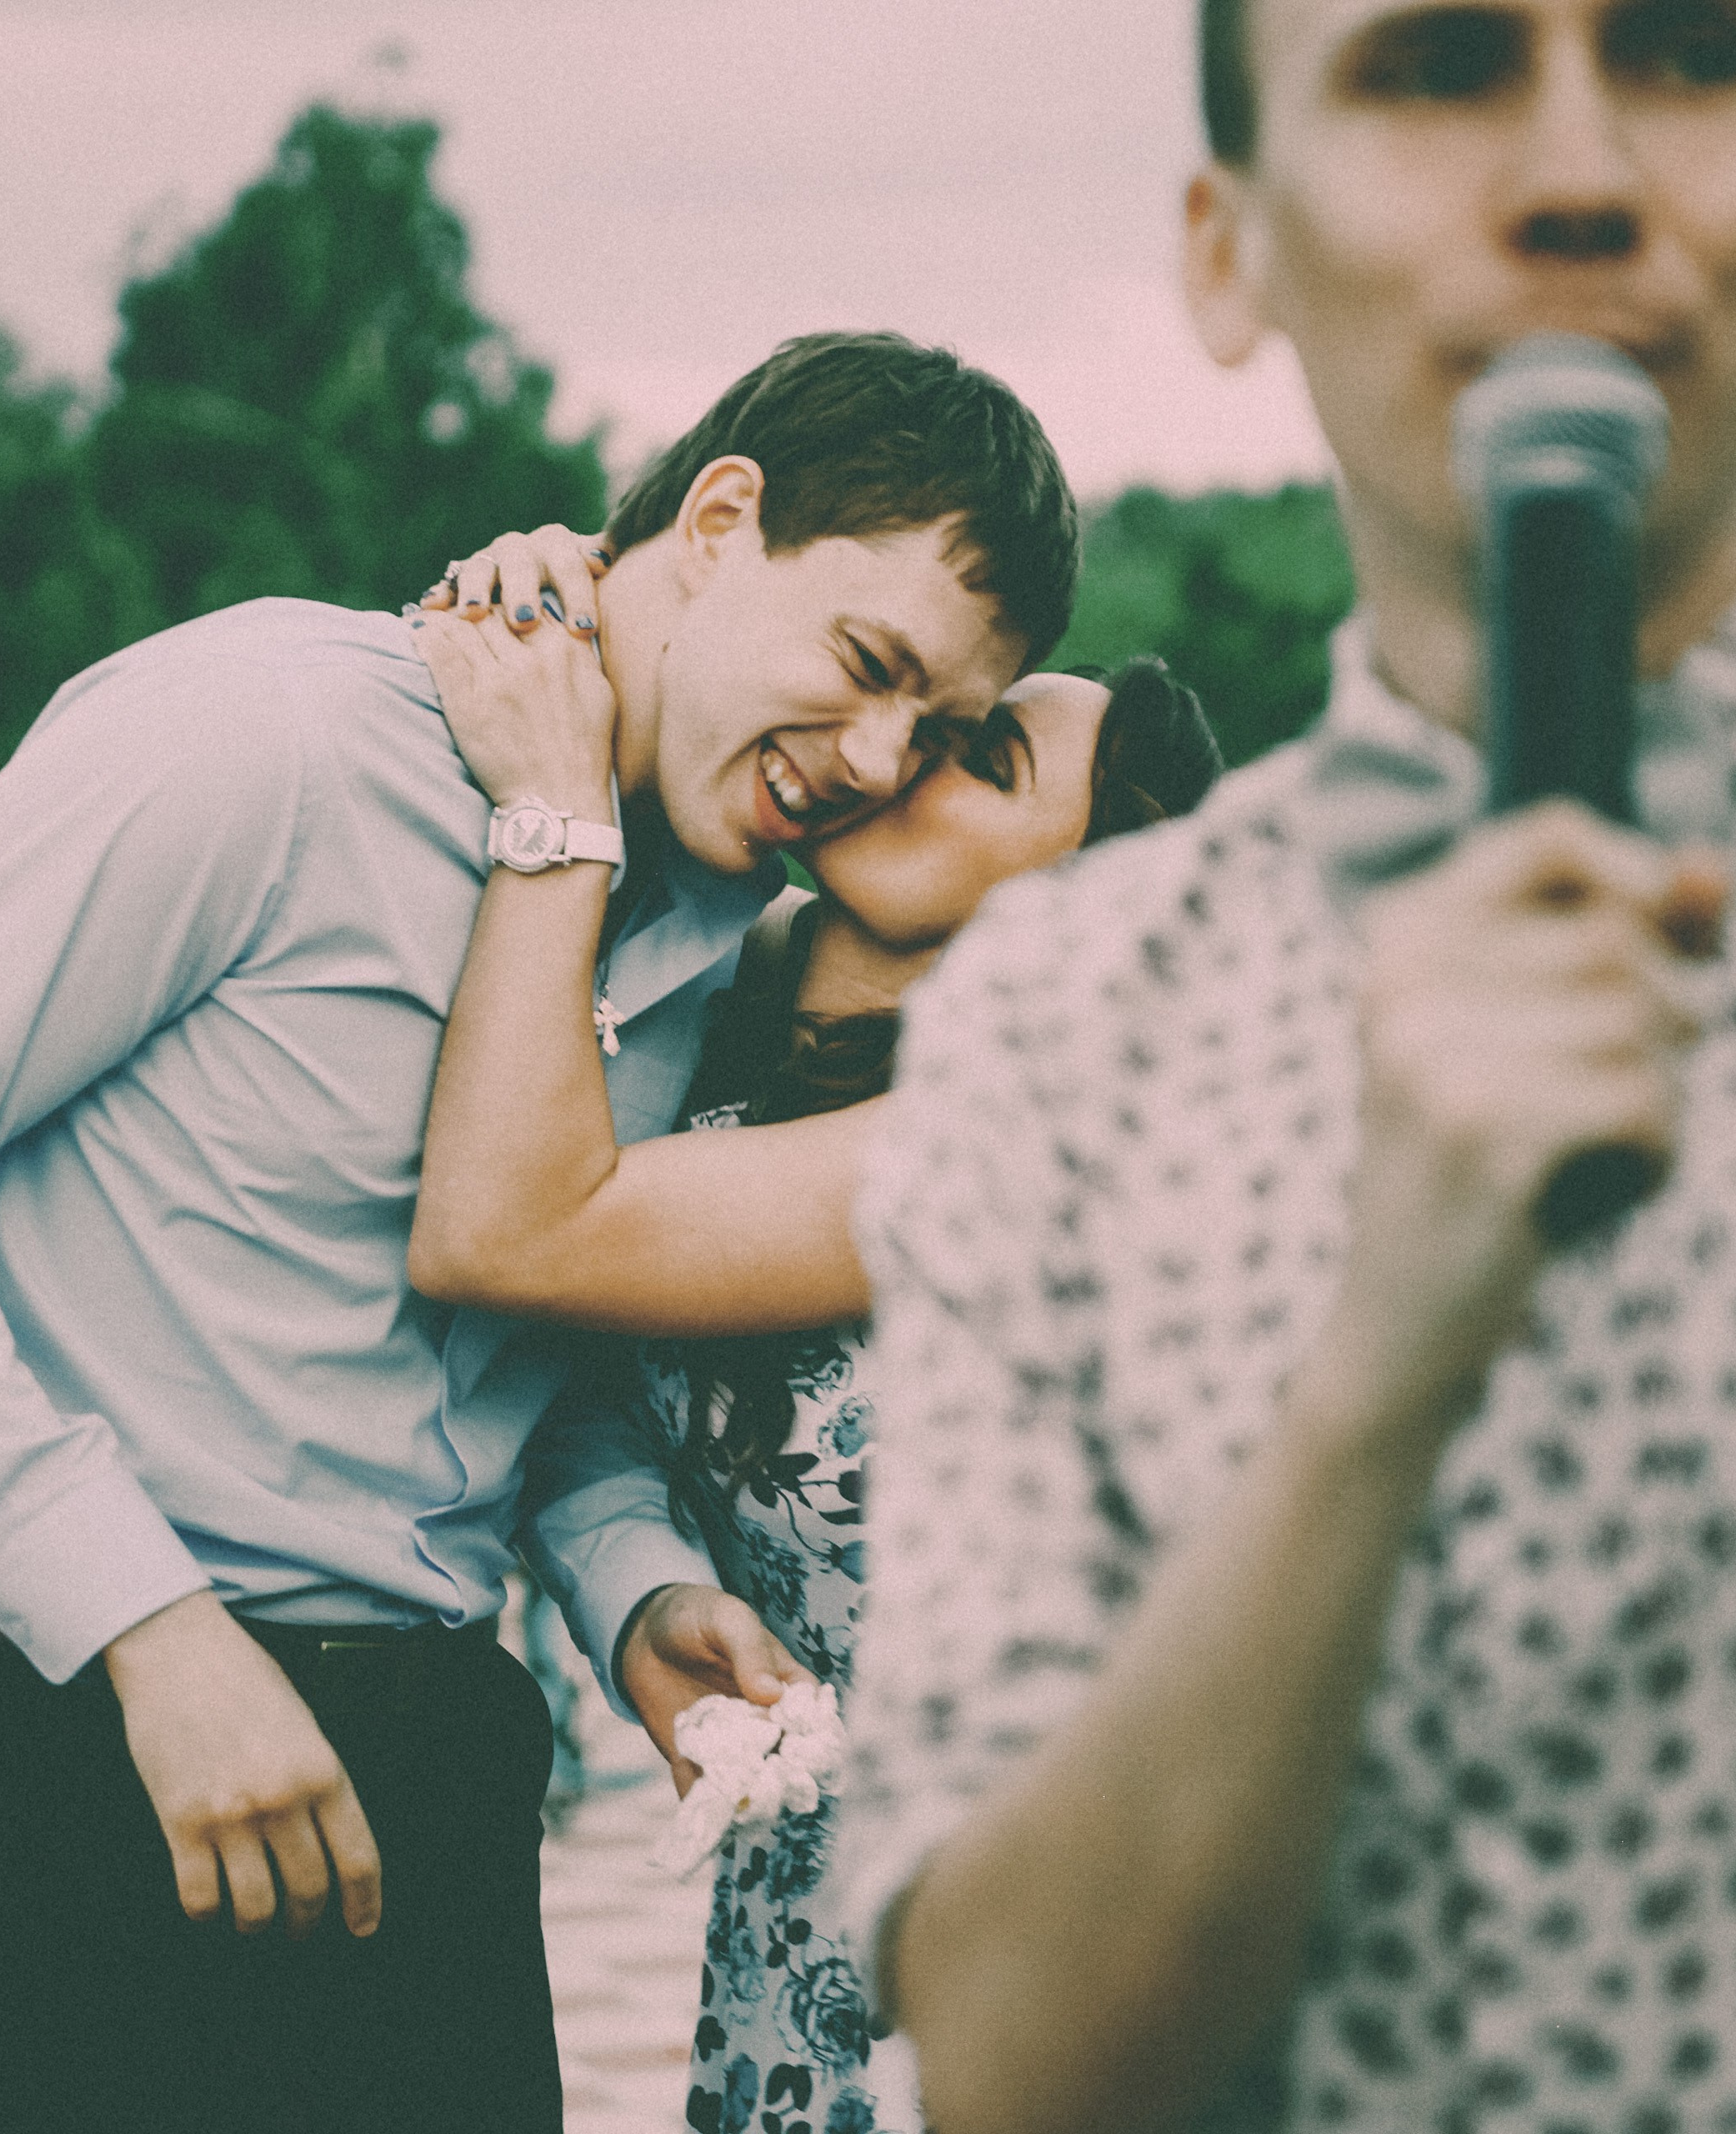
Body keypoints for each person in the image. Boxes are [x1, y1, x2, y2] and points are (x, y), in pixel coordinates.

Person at [0, 330, 1078, 2134]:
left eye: (930, 731)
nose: (872, 757)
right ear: (719, 517)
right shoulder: (271, 729)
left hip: (437, 1764)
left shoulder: (699, 928)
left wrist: (631, 1590)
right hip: (53, 1724)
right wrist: (148, 1625)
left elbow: (522, 1355)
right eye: (869, 666)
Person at [823, 5, 1736, 2132]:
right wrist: (1367, 1379)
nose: (1574, 173)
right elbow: (1014, 2074)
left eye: (1684, 54)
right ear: (1227, 253)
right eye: (1436, 68)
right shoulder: (1060, 1022)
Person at [400, 578, 1223, 2133]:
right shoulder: (711, 1001)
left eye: (983, 759)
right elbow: (582, 1388)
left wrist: (559, 813)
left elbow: (510, 1236)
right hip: (799, 1907)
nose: (902, 752)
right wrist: (570, 579)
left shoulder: (1013, 1124)